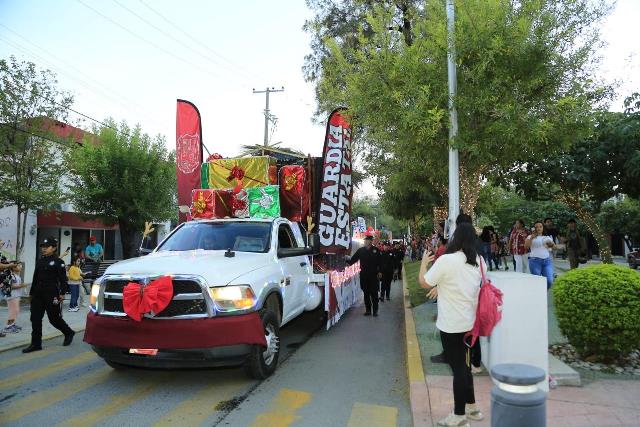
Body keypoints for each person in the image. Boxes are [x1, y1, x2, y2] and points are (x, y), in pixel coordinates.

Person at [419, 223, 484, 426]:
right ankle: (472, 408)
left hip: (451, 325)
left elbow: (424, 282)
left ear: (456, 238)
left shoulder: (447, 260)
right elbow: (470, 285)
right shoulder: (480, 261)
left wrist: (423, 263)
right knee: (464, 366)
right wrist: (441, 287)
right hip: (470, 323)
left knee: (459, 370)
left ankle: (459, 415)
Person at [22, 237, 75, 353]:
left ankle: (68, 332)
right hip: (38, 294)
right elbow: (35, 278)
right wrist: (31, 293)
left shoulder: (58, 262)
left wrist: (62, 293)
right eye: (43, 247)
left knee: (54, 318)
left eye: (47, 247)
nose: (44, 249)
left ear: (54, 248)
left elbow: (63, 279)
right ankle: (36, 344)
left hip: (51, 293)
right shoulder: (40, 261)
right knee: (35, 318)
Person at [347, 235, 382, 316]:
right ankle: (368, 310)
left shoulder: (376, 250)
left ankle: (375, 310)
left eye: (367, 240)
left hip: (374, 275)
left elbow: (380, 262)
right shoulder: (360, 250)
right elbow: (353, 260)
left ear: (371, 241)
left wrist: (380, 271)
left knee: (374, 293)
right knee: (366, 293)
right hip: (364, 275)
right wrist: (346, 262)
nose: (365, 241)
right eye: (365, 240)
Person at [525, 221, 556, 290]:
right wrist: (531, 238)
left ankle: (543, 292)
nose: (538, 228)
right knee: (537, 281)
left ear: (543, 228)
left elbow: (554, 247)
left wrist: (551, 244)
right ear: (534, 228)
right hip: (535, 262)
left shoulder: (547, 237)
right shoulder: (530, 236)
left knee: (549, 281)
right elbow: (526, 247)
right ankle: (538, 293)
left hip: (547, 261)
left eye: (540, 227)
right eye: (536, 227)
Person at [3, 262, 27, 334]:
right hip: (12, 296)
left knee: (16, 311)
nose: (20, 267)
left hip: (16, 295)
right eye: (18, 266)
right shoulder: (10, 276)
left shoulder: (17, 276)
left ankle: (12, 324)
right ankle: (8, 327)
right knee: (13, 311)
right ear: (13, 267)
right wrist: (21, 286)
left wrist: (21, 285)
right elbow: (10, 286)